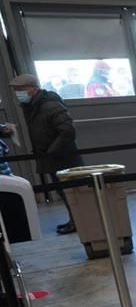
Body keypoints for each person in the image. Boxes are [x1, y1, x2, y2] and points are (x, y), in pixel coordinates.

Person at [3, 74, 82, 234]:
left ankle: (79, 221)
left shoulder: (50, 105)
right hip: (53, 157)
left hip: (62, 158)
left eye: (20, 90)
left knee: (71, 192)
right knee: (64, 191)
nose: (18, 94)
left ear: (33, 90)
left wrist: (51, 152)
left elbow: (67, 132)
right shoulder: (32, 106)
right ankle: (75, 220)